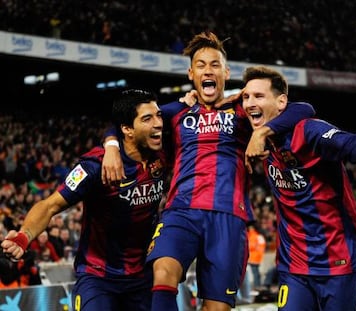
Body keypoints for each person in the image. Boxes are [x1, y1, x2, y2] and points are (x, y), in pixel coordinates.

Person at [102, 31, 316, 311]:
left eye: (215, 65)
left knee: (216, 307)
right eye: (201, 65)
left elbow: (304, 109)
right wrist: (111, 147)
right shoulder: (176, 112)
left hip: (229, 216)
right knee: (163, 273)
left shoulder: (243, 109)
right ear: (191, 73)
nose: (208, 70)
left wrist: (262, 131)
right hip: (181, 210)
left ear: (226, 72)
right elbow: (124, 121)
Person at [236, 65, 356, 310]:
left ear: (281, 102)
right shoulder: (255, 131)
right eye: (246, 97)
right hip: (294, 265)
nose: (249, 103)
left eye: (258, 96)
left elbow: (347, 143)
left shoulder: (307, 130)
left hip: (337, 260)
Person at [1, 89, 167, 311]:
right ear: (127, 129)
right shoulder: (93, 166)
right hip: (98, 278)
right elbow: (50, 205)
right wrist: (24, 236)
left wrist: (111, 142)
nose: (158, 123)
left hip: (143, 277)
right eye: (147, 118)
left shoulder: (163, 152)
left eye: (159, 116)